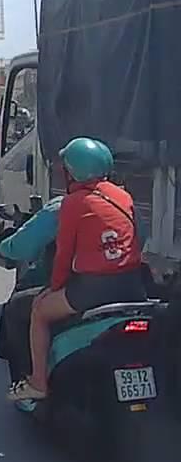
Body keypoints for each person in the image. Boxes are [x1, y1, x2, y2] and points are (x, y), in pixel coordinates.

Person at [8, 138, 146, 401]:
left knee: (39, 311)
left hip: (92, 290)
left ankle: (38, 382)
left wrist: (54, 288)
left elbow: (63, 255)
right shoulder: (123, 196)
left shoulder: (73, 203)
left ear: (71, 172)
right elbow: (140, 237)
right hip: (132, 285)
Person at [0, 195, 64, 384]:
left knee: (17, 308)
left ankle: (30, 380)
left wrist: (3, 247)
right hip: (126, 289)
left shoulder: (62, 208)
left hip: (80, 289)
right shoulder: (121, 201)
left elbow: (19, 246)